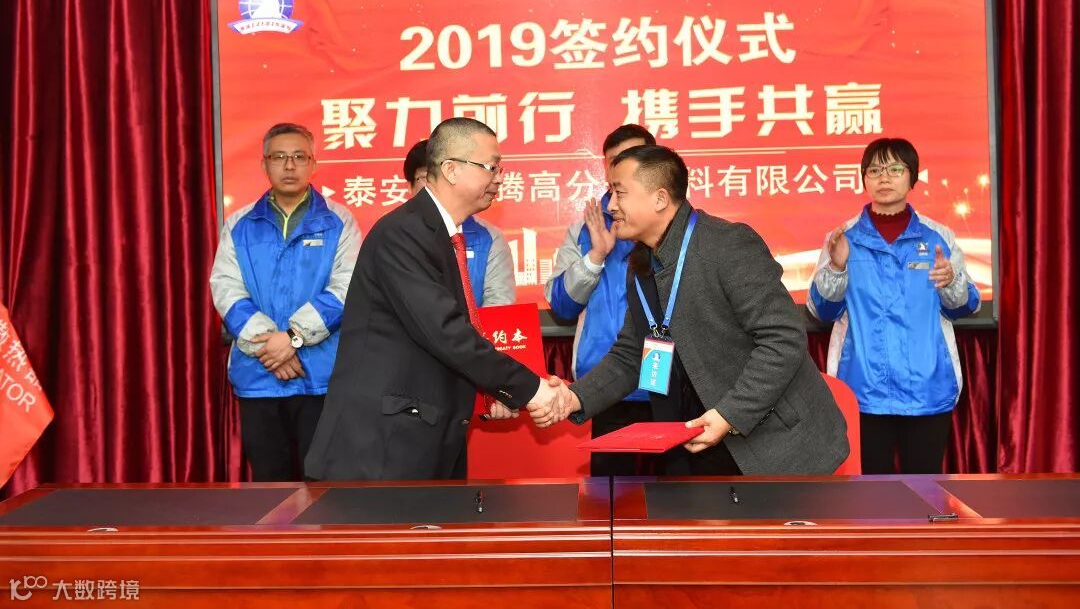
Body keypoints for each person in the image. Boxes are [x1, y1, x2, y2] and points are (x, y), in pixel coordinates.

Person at [536, 145, 849, 476]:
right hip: (694, 441)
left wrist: (729, 414)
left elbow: (783, 340)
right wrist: (574, 397)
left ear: (659, 199)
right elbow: (632, 355)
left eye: (620, 192)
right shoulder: (641, 265)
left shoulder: (726, 245)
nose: (611, 205)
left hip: (776, 445)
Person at [304, 117, 564, 481]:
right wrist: (530, 389)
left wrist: (499, 391)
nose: (499, 178)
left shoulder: (442, 234)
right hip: (381, 449)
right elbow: (446, 332)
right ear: (452, 169)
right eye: (491, 167)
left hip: (428, 436)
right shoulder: (404, 233)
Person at [808, 137, 980, 474]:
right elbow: (821, 311)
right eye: (874, 171)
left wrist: (950, 281)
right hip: (863, 389)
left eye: (894, 169)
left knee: (926, 491)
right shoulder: (843, 238)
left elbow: (965, 306)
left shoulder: (938, 236)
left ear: (912, 176)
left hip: (927, 387)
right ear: (864, 179)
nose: (884, 178)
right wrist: (837, 268)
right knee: (870, 496)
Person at [210, 122, 360, 481]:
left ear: (313, 164)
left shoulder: (339, 221)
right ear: (264, 164)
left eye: (299, 157)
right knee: (270, 487)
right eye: (279, 157)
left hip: (320, 376)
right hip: (259, 374)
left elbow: (347, 287)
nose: (289, 166)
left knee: (321, 487)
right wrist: (272, 346)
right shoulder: (240, 223)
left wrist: (292, 338)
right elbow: (226, 287)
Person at [544, 124, 656, 476]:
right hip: (608, 381)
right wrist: (595, 256)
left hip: (667, 382)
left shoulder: (677, 226)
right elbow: (562, 306)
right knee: (612, 494)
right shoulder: (587, 228)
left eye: (634, 158)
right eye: (615, 162)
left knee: (673, 494)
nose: (623, 168)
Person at [403, 139, 515, 307]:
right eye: (427, 177)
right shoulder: (395, 235)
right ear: (410, 186)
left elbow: (499, 307)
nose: (437, 184)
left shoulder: (489, 238)